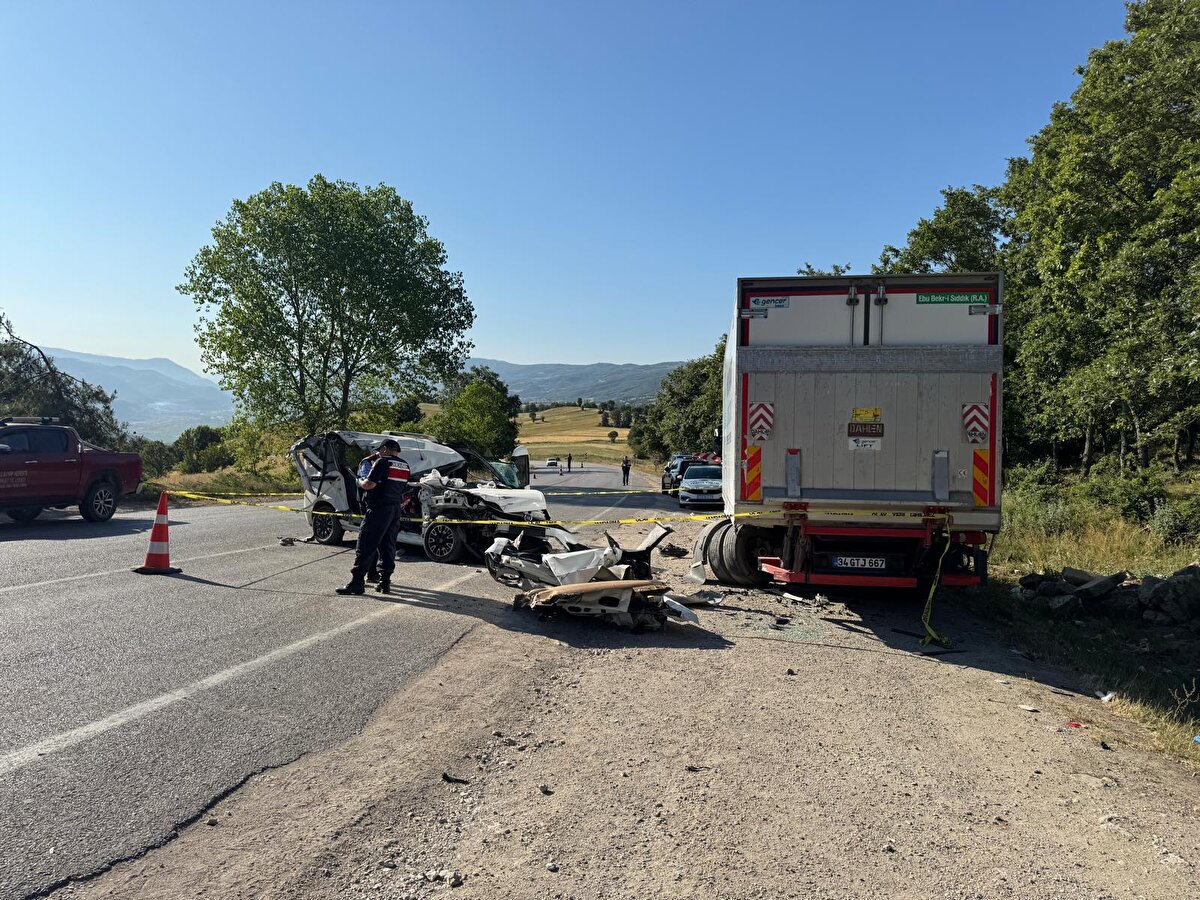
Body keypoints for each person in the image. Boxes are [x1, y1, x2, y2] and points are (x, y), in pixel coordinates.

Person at [337, 439, 409, 596]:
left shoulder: (382, 462)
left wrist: (359, 481)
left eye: (379, 450)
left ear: (384, 449)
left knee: (365, 545)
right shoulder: (405, 465)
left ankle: (356, 583)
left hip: (378, 509)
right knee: (388, 546)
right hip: (394, 510)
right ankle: (384, 583)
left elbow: (369, 485)